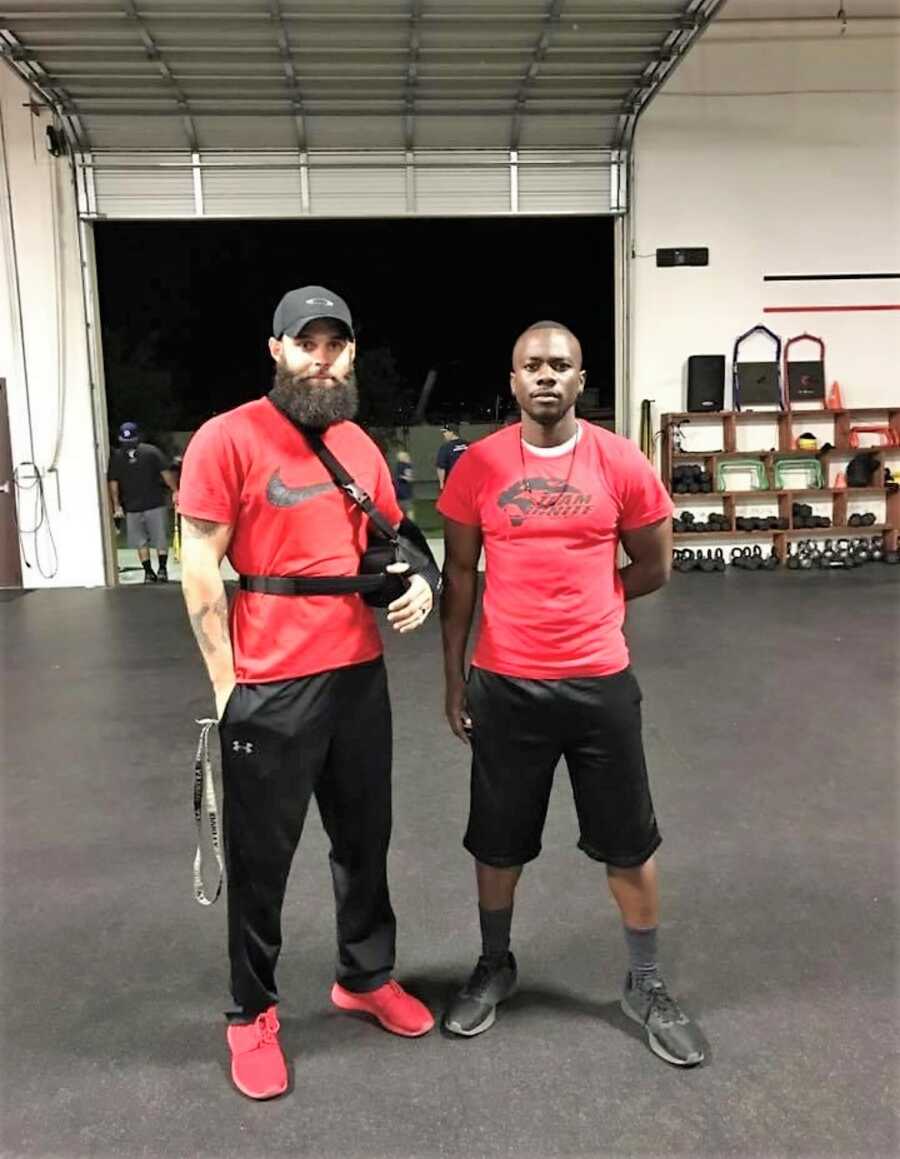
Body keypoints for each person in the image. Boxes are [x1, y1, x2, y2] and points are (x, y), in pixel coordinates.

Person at [177, 285, 437, 1102]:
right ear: (277, 350)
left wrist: (421, 584)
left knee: (365, 842)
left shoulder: (358, 444)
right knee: (262, 862)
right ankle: (251, 1012)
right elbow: (198, 567)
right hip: (269, 684)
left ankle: (364, 976)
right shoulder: (228, 438)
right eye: (306, 342)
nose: (321, 356)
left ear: (351, 354)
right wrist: (227, 687)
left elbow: (399, 539)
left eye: (336, 343)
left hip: (358, 678)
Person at [437, 320, 705, 1067]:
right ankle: (496, 962)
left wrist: (598, 598)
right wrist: (453, 675)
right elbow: (460, 576)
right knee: (496, 841)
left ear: (581, 379)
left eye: (561, 364)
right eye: (533, 365)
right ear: (513, 380)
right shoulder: (478, 467)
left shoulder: (620, 460)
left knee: (630, 842)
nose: (547, 375)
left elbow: (654, 563)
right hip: (505, 683)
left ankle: (644, 982)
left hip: (599, 683)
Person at [107, 422, 179, 583]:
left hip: (135, 506)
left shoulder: (118, 457)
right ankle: (161, 570)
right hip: (152, 504)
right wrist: (175, 490)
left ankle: (149, 573)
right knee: (158, 538)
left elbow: (113, 483)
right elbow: (166, 474)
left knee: (141, 541)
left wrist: (117, 504)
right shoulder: (151, 452)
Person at [435, 423, 468, 491]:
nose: (444, 434)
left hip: (452, 483)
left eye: (445, 432)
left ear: (451, 432)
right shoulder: (468, 444)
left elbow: (441, 467)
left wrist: (441, 483)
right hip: (468, 482)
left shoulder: (446, 447)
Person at [393, 449, 415, 519]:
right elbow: (409, 478)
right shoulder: (407, 466)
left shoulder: (397, 467)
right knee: (409, 510)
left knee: (400, 511)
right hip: (405, 492)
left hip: (397, 492)